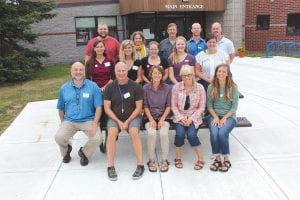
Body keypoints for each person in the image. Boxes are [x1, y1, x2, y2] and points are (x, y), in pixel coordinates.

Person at [55, 62, 102, 166]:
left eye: (81, 69)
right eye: (75, 70)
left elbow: (99, 107)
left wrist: (95, 123)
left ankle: (84, 153)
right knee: (59, 137)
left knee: (97, 139)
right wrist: (62, 122)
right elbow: (61, 108)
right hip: (70, 121)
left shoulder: (93, 86)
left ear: (84, 72)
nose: (78, 72)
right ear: (71, 72)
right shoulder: (64, 88)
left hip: (88, 120)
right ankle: (66, 151)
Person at [104, 62, 144, 181]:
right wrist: (118, 121)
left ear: (127, 71)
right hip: (114, 117)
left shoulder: (135, 86)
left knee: (133, 132)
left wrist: (127, 122)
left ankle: (140, 165)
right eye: (118, 71)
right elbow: (107, 108)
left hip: (133, 117)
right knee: (111, 133)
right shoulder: (110, 87)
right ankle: (110, 166)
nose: (121, 73)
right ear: (115, 72)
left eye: (123, 70)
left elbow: (138, 108)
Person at [171, 65, 206, 170]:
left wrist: (191, 119)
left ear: (193, 75)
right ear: (181, 76)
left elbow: (202, 107)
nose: (186, 77)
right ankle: (178, 158)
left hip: (194, 117)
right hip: (179, 116)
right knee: (180, 134)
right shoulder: (176, 87)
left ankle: (201, 159)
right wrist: (182, 118)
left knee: (191, 135)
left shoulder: (200, 88)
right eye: (184, 75)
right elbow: (173, 106)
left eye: (189, 75)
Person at [207, 64, 239, 172]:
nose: (221, 73)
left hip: (229, 116)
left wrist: (224, 118)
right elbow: (209, 106)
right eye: (219, 71)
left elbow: (234, 108)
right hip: (214, 115)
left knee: (222, 133)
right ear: (216, 73)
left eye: (223, 72)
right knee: (214, 133)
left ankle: (226, 158)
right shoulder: (211, 87)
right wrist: (216, 117)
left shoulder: (233, 87)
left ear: (227, 74)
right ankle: (217, 158)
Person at [143, 65, 172, 172]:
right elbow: (145, 105)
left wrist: (162, 119)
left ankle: (164, 160)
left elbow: (169, 106)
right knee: (151, 133)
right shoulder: (145, 88)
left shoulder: (168, 88)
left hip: (164, 116)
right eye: (155, 73)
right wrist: (151, 119)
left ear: (162, 75)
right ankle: (151, 160)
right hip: (149, 116)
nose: (157, 75)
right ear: (151, 74)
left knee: (164, 134)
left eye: (159, 73)